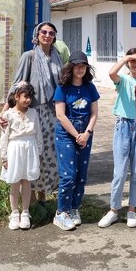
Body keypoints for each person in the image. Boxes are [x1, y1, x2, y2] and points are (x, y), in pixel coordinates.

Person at [0, 21, 63, 205]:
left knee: (50, 155)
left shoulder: (57, 56)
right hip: (35, 111)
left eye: (51, 33)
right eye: (44, 32)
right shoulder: (30, 56)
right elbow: (17, 84)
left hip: (53, 112)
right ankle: (31, 198)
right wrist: (5, 111)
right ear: (37, 34)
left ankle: (44, 194)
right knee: (35, 153)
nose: (47, 35)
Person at [98, 48, 136, 229]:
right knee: (119, 173)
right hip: (123, 126)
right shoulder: (124, 79)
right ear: (128, 62)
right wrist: (125, 57)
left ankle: (132, 209)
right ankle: (113, 209)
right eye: (132, 61)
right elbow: (112, 73)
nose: (135, 64)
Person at [52, 50, 99, 230]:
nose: (80, 69)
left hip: (85, 133)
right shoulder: (62, 87)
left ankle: (73, 208)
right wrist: (76, 135)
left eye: (83, 66)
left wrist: (86, 133)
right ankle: (61, 212)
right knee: (68, 175)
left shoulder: (90, 87)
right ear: (70, 68)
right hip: (66, 134)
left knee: (81, 175)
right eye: (77, 66)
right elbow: (60, 115)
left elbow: (95, 113)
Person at [0, 82, 42, 230]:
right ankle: (14, 213)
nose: (28, 100)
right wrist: (4, 156)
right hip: (14, 149)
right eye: (25, 97)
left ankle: (25, 212)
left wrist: (39, 152)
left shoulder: (33, 113)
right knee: (14, 182)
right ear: (16, 97)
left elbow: (38, 134)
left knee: (27, 181)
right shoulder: (8, 114)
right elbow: (4, 137)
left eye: (30, 97)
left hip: (30, 148)